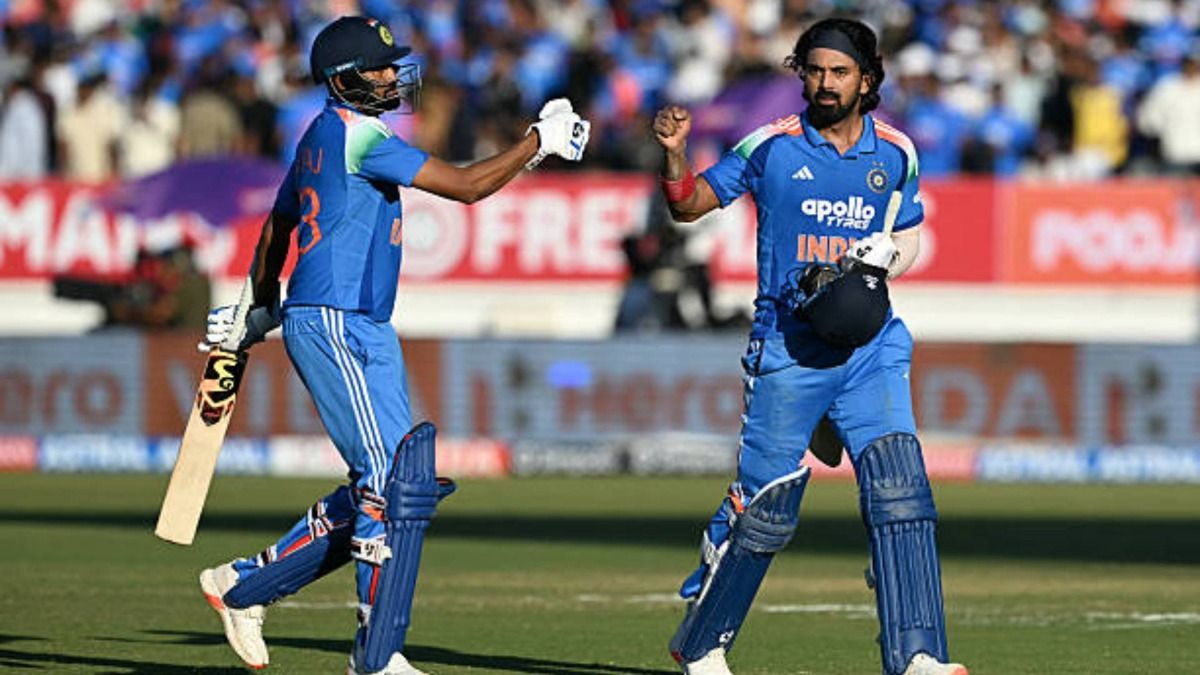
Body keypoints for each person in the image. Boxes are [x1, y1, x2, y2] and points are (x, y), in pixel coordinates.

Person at [196, 15, 589, 675]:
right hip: (336, 318)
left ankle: (244, 584)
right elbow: (466, 187)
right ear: (343, 78)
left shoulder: (320, 135)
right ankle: (375, 657)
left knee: (398, 484)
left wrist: (257, 307)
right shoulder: (357, 136)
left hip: (364, 324)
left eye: (390, 65)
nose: (389, 76)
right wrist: (537, 142)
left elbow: (278, 225)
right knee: (386, 487)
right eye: (377, 68)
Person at [653, 18, 967, 675]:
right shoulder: (771, 146)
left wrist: (886, 260)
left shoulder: (897, 154)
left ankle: (918, 655)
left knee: (901, 491)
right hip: (789, 348)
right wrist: (676, 153)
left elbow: (906, 235)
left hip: (870, 345)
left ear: (869, 79)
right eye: (815, 70)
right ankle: (702, 643)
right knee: (765, 505)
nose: (824, 84)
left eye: (839, 72)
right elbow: (688, 204)